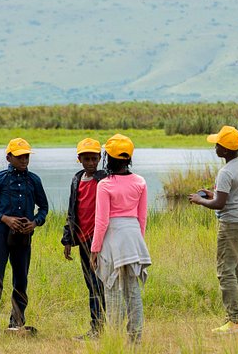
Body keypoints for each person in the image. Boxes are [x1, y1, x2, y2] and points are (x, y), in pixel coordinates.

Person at [0, 138, 49, 342]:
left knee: (21, 280)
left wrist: (35, 222)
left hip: (24, 236)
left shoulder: (34, 180)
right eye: (20, 156)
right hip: (1, 235)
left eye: (26, 156)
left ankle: (16, 323)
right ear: (9, 157)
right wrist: (5, 218)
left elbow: (44, 208)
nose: (24, 160)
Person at [189, 126, 238, 334]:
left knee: (225, 271)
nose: (215, 147)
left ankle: (235, 320)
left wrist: (200, 200)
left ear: (226, 150)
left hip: (233, 224)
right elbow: (228, 196)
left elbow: (219, 204)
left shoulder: (226, 171)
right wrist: (215, 194)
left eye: (218, 144)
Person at [90, 134, 151, 343]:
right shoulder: (140, 182)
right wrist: (137, 242)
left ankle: (114, 338)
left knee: (112, 288)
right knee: (133, 290)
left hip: (112, 239)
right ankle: (136, 338)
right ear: (128, 158)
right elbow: (142, 217)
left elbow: (102, 221)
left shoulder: (105, 185)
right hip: (133, 237)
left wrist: (94, 249)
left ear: (109, 158)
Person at [61, 138, 107, 339]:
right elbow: (72, 210)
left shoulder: (105, 179)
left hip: (101, 241)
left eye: (94, 158)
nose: (90, 162)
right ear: (79, 159)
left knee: (100, 284)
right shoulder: (77, 179)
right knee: (92, 284)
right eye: (86, 158)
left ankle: (99, 328)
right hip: (83, 241)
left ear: (100, 158)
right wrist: (68, 239)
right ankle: (97, 326)